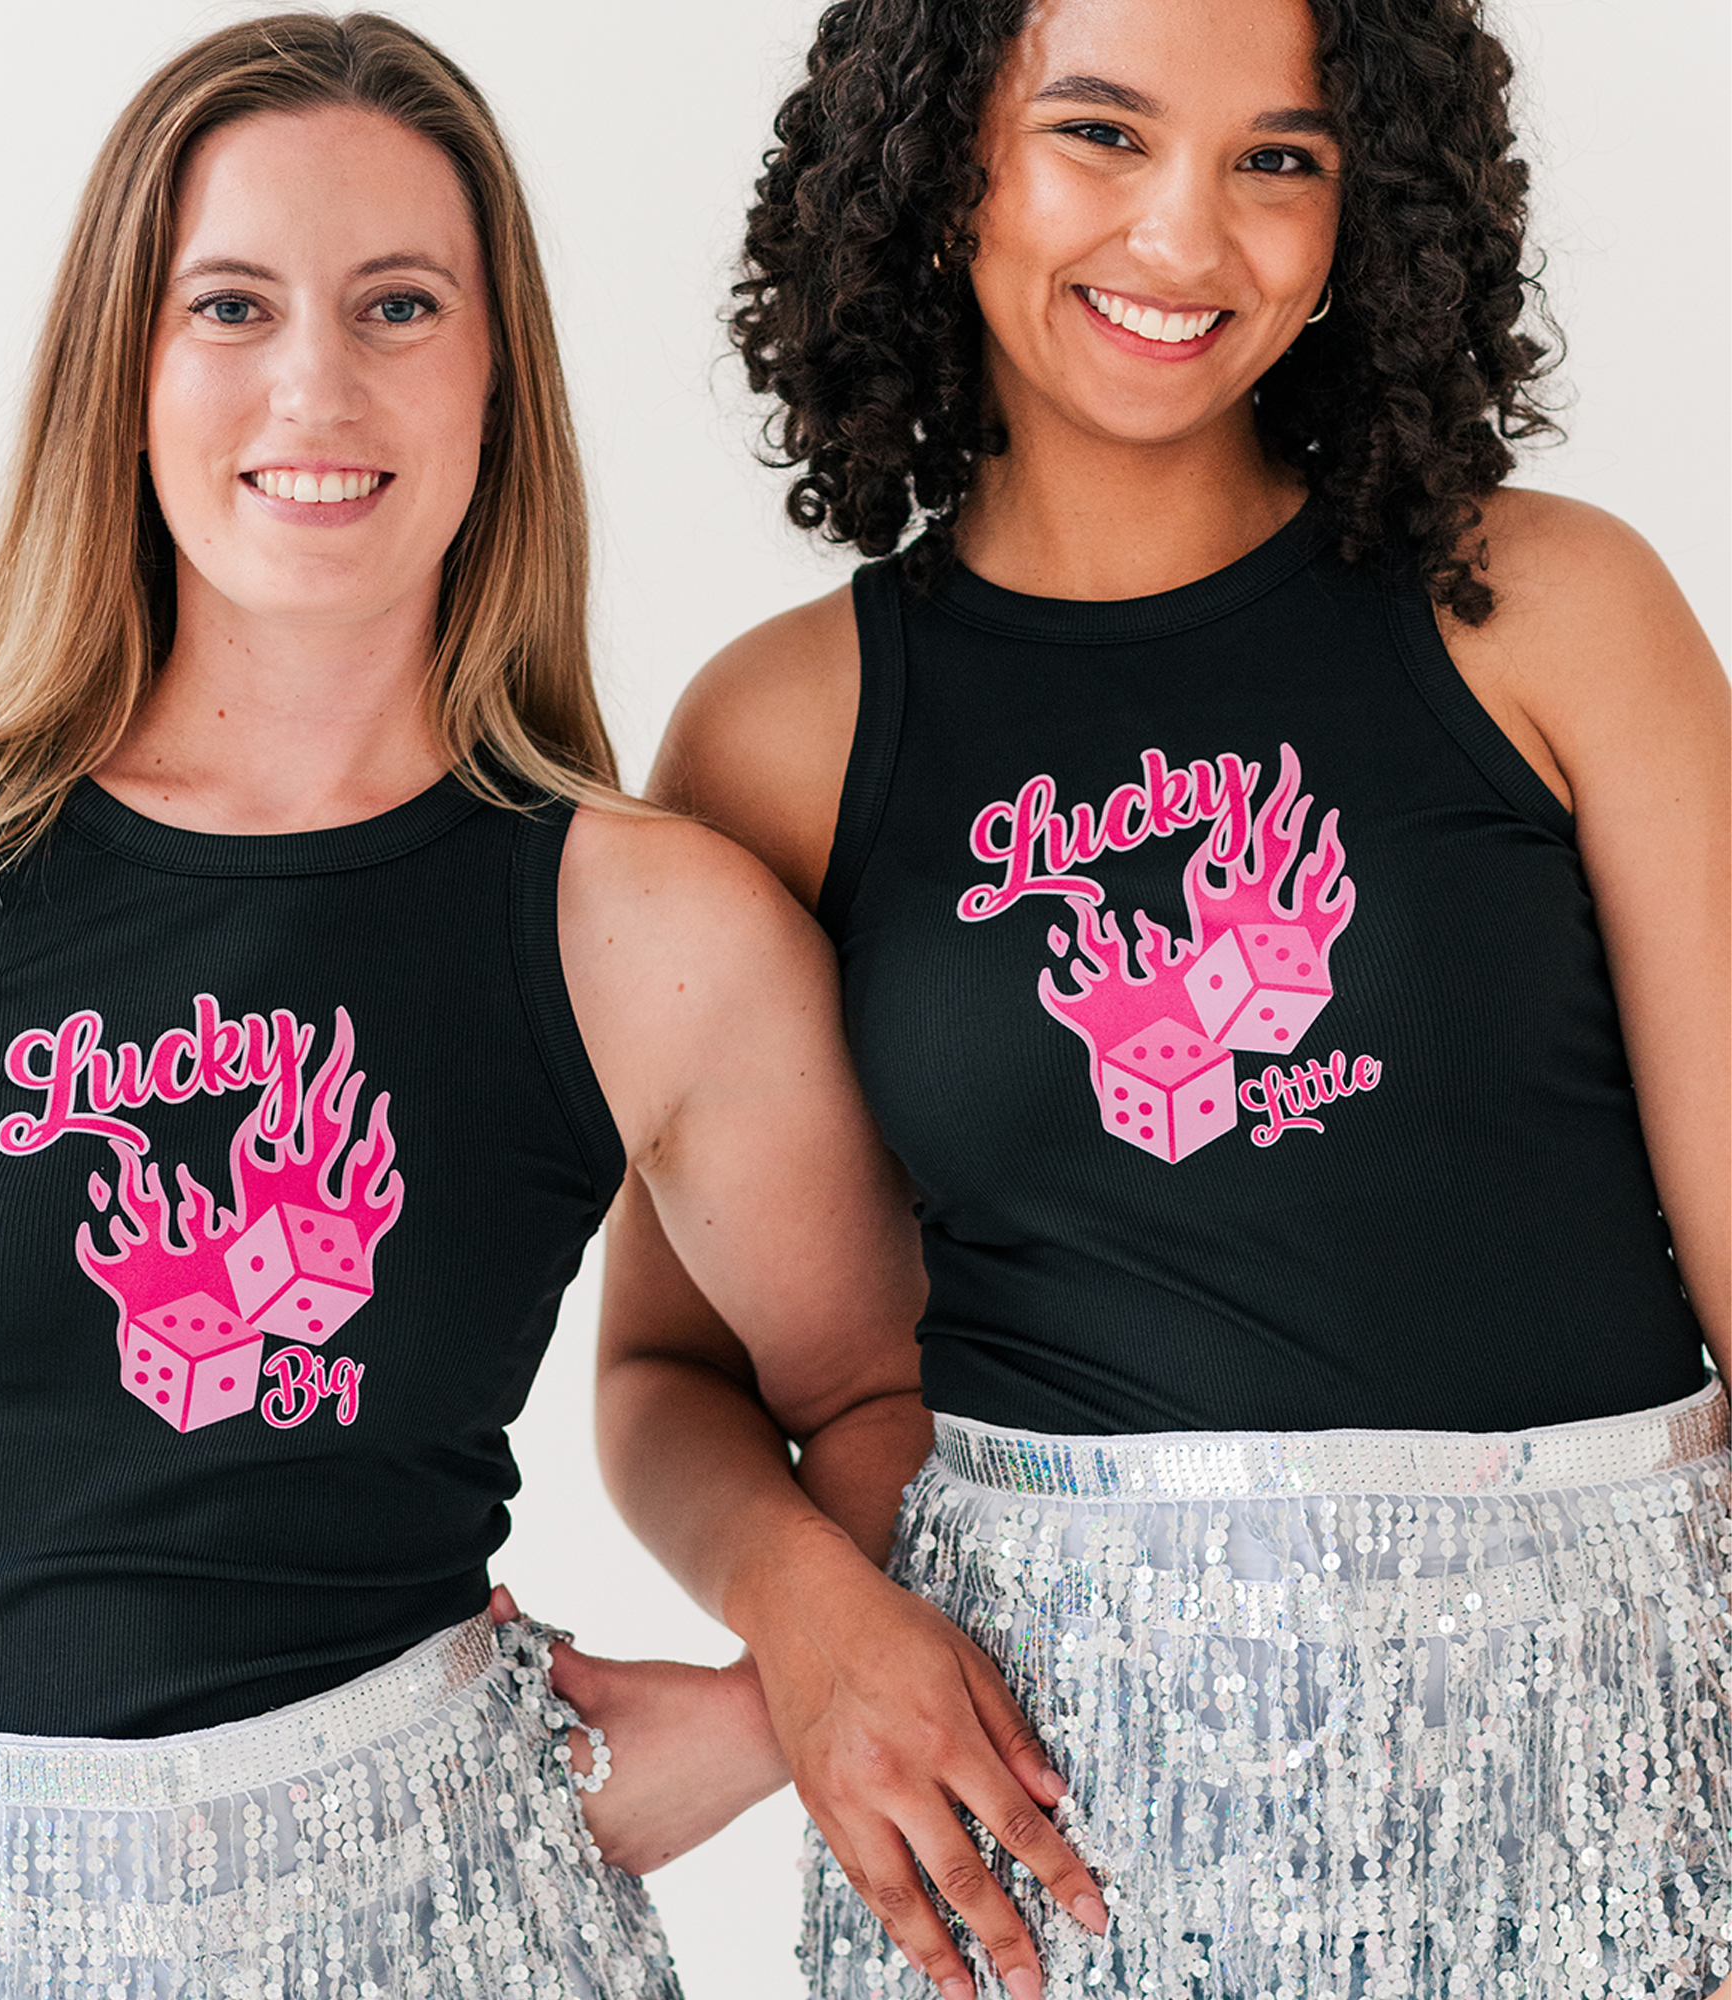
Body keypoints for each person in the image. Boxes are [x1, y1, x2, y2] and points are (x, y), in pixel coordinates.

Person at [0, 12, 997, 1993]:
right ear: (123, 374)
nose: (315, 381)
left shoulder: (643, 926)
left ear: (494, 374)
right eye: (228, 304)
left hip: (431, 1922)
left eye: (398, 304)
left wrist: (773, 1706)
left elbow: (885, 1403)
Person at [599, 0, 1732, 1994]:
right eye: (1099, 135)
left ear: (1373, 200)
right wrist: (807, 1613)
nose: (1186, 242)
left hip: (1608, 1797)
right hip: (1051, 1833)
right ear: (939, 153)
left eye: (1277, 160)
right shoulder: (784, 733)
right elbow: (665, 1374)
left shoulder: (1550, 614)